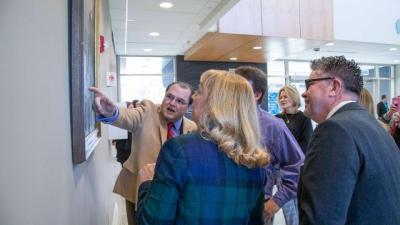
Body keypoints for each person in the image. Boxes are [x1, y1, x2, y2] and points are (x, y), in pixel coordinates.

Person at [137, 70, 270, 224]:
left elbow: (152, 221)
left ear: (215, 104)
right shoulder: (254, 160)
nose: (193, 98)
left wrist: (146, 185)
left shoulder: (179, 149)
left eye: (199, 92)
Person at [298, 56, 400, 225]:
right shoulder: (372, 125)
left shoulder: (334, 131)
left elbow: (322, 218)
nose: (304, 92)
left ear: (334, 87)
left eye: (310, 84)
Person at [89, 82, 197, 225]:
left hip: (173, 196)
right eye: (169, 97)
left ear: (188, 107)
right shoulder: (148, 111)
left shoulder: (192, 128)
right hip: (139, 190)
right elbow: (128, 117)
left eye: (180, 101)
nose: (172, 103)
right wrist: (111, 112)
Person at [235, 66, 304, 225]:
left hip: (257, 207)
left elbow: (298, 166)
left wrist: (274, 204)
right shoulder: (221, 122)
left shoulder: (273, 126)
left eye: (239, 88)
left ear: (257, 94)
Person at [276, 85, 313, 154]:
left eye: (285, 97)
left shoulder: (304, 118)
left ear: (293, 98)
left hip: (298, 160)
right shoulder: (276, 118)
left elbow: (307, 143)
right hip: (279, 159)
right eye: (280, 98)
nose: (282, 100)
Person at [113, 100, 139, 165]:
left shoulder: (135, 121)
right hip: (123, 151)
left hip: (132, 151)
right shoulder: (120, 121)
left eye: (133, 109)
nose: (132, 111)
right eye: (130, 109)